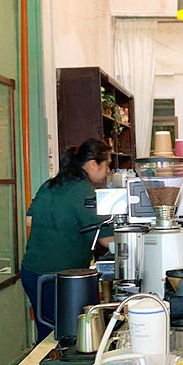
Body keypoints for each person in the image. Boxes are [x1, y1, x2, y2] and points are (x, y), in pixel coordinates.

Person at [21, 139, 114, 343]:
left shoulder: (50, 185)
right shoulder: (84, 191)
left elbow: (29, 220)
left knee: (46, 330)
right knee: (63, 336)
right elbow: (109, 241)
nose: (108, 170)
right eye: (106, 164)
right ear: (92, 165)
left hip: (32, 272)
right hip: (58, 277)